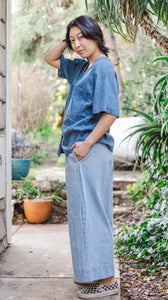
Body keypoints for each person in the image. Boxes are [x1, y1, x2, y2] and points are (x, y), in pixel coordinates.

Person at [45, 15, 120, 299]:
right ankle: (92, 276)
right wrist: (68, 38)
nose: (77, 45)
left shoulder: (102, 67)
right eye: (72, 40)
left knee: (94, 214)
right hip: (77, 152)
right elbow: (49, 57)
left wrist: (87, 144)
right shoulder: (81, 68)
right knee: (81, 216)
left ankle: (108, 280)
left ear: (95, 35)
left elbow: (110, 112)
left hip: (90, 150)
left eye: (81, 38)